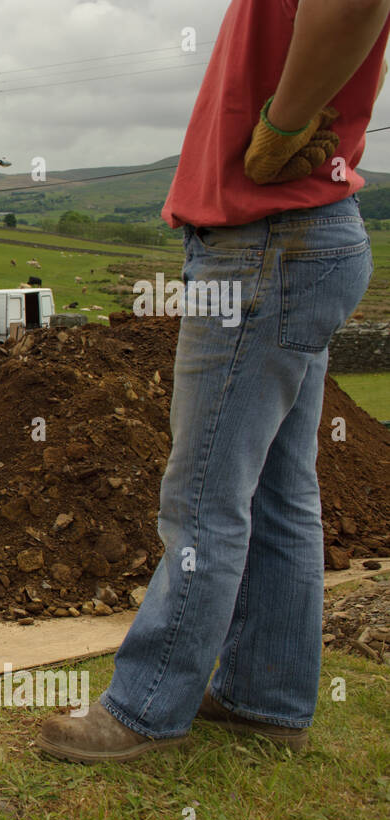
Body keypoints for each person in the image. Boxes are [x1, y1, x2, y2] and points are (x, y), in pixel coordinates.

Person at [38, 0, 390, 762]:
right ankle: (268, 697)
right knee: (278, 486)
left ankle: (145, 706)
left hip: (264, 244)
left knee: (204, 494)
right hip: (301, 235)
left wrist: (287, 125)